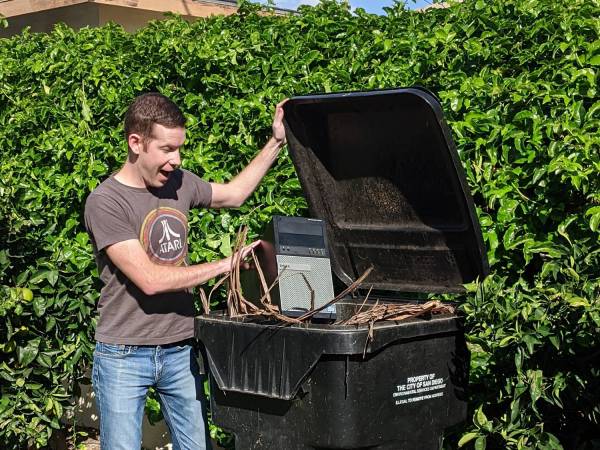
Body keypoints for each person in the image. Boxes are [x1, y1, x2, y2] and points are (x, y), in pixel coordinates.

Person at [84, 92, 287, 450]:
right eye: (166, 149)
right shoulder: (105, 202)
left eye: (179, 149)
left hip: (179, 348)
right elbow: (150, 280)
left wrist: (276, 141)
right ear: (136, 143)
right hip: (124, 354)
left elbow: (235, 194)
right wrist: (225, 265)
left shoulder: (179, 183)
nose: (176, 160)